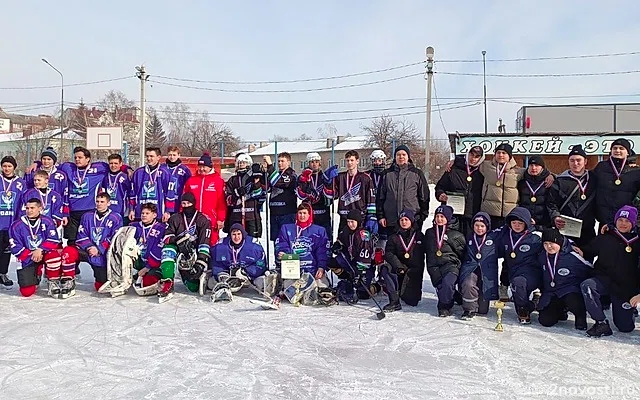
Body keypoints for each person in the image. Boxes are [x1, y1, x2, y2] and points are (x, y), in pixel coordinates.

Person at [580, 205, 640, 337]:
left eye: (627, 221)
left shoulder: (637, 241)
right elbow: (588, 250)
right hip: (603, 280)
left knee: (625, 328)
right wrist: (575, 249)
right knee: (588, 286)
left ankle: (629, 312)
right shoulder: (606, 236)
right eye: (620, 220)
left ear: (633, 223)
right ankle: (601, 322)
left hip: (625, 288)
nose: (623, 224)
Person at [9, 198, 78, 298]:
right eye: (27, 208)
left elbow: (53, 239)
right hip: (28, 257)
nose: (29, 210)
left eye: (32, 208)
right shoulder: (16, 225)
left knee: (54, 255)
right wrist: (31, 254)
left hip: (44, 253)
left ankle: (53, 281)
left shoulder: (47, 221)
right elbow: (14, 245)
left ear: (40, 208)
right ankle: (36, 275)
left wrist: (40, 250)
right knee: (26, 292)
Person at [158, 192, 212, 301]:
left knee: (193, 287)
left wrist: (200, 262)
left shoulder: (203, 219)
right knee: (167, 250)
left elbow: (204, 242)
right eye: (183, 203)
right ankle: (167, 281)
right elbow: (166, 237)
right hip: (179, 250)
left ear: (193, 203)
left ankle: (195, 277)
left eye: (188, 203)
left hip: (194, 252)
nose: (186, 206)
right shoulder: (175, 218)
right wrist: (177, 240)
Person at [494, 206, 542, 324]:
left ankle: (523, 310)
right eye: (514, 222)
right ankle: (529, 306)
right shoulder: (505, 235)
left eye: (520, 223)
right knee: (517, 285)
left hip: (531, 273)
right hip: (513, 273)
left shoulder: (536, 237)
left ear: (526, 222)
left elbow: (555, 242)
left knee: (518, 283)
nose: (517, 225)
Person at [275, 203, 330, 305]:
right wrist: (283, 254)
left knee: (324, 288)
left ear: (310, 215)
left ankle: (308, 290)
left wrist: (321, 268)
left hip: (312, 271)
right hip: (293, 271)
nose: (302, 216)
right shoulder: (286, 229)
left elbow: (322, 252)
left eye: (305, 213)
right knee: (289, 289)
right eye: (300, 213)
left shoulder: (319, 231)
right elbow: (281, 245)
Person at [547, 145, 598, 255]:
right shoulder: (560, 181)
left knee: (586, 263)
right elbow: (551, 203)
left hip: (587, 231)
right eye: (572, 160)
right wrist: (555, 217)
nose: (575, 163)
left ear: (585, 161)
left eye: (578, 160)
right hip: (566, 230)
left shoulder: (594, 179)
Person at [538, 228, 590, 330]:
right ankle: (560, 311)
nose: (549, 246)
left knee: (574, 301)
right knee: (545, 321)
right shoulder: (541, 256)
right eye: (546, 243)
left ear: (559, 242)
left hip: (569, 291)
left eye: (552, 243)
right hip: (551, 292)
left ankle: (580, 315)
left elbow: (589, 269)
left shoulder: (573, 256)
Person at [377, 145, 430, 236]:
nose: (401, 157)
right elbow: (380, 197)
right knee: (392, 248)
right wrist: (381, 216)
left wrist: (422, 216)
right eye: (398, 155)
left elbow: (424, 196)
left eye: (403, 154)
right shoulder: (386, 174)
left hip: (412, 221)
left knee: (412, 248)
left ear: (408, 157)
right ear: (395, 157)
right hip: (391, 220)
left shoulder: (417, 173)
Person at [209, 223, 271, 301]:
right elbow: (217, 264)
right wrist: (223, 277)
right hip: (229, 276)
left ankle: (268, 285)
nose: (236, 237)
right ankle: (224, 288)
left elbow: (261, 265)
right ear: (230, 235)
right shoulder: (222, 246)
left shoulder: (254, 247)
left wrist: (245, 273)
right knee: (211, 283)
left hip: (249, 278)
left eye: (239, 234)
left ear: (243, 234)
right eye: (234, 234)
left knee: (261, 282)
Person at [75, 192, 123, 291]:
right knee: (69, 252)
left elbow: (115, 237)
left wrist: (99, 249)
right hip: (89, 250)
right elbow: (81, 234)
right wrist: (89, 247)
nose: (99, 204)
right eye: (97, 201)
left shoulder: (116, 217)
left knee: (101, 284)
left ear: (108, 203)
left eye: (102, 202)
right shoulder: (87, 216)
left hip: (105, 252)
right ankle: (68, 280)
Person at [435, 145, 485, 238]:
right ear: (467, 154)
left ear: (481, 158)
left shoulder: (483, 172)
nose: (473, 159)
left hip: (472, 215)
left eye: (477, 156)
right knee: (453, 243)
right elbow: (440, 187)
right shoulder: (453, 169)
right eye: (471, 154)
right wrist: (440, 194)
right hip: (453, 215)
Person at [425, 205, 466, 317]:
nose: (439, 219)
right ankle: (455, 296)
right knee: (441, 286)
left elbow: (463, 253)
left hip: (451, 265)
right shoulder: (429, 233)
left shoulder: (456, 235)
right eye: (437, 216)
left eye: (442, 217)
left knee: (447, 284)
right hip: (434, 266)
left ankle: (444, 306)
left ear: (448, 218)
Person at [458, 212, 499, 319]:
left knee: (482, 311)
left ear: (487, 226)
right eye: (476, 225)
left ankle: (479, 303)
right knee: (468, 284)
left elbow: (508, 229)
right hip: (471, 268)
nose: (479, 228)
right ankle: (469, 309)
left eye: (482, 226)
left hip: (487, 270)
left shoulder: (493, 237)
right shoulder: (469, 237)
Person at [328, 209, 375, 304]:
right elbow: (341, 241)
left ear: (358, 221)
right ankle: (348, 278)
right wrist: (337, 245)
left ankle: (377, 286)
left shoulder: (364, 234)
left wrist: (360, 272)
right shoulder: (346, 230)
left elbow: (365, 257)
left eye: (352, 222)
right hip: (350, 261)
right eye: (348, 222)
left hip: (365, 266)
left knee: (363, 294)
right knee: (331, 262)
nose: (350, 224)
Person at [383, 209, 427, 309]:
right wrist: (398, 266)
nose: (404, 222)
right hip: (399, 268)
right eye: (402, 220)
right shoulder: (394, 237)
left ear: (411, 221)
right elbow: (389, 253)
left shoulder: (419, 236)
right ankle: (394, 301)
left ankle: (406, 292)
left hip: (413, 271)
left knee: (412, 301)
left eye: (406, 219)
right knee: (386, 268)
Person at [325, 150, 376, 233]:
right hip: (345, 218)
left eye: (352, 160)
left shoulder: (365, 178)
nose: (349, 163)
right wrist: (329, 182)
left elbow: (371, 198)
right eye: (347, 160)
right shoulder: (340, 177)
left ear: (357, 161)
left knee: (360, 243)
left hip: (360, 218)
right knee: (343, 242)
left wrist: (371, 216)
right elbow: (332, 195)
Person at [593, 138, 640, 227]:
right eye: (615, 148)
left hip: (626, 222)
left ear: (628, 152)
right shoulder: (601, 167)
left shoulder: (636, 171)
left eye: (621, 148)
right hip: (604, 221)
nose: (617, 150)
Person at [183, 152, 226, 245]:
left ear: (210, 167)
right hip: (193, 219)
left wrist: (221, 218)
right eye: (200, 166)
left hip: (211, 219)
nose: (201, 169)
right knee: (192, 243)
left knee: (211, 243)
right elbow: (184, 199)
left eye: (204, 167)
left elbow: (221, 202)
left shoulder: (218, 181)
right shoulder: (191, 180)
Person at [0, 155, 26, 288]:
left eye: (9, 166)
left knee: (6, 250)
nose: (6, 168)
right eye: (4, 166)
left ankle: (3, 273)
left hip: (11, 223)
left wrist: (19, 220)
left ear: (14, 167)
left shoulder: (20, 183)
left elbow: (23, 201)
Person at [224, 153, 265, 238]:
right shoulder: (233, 180)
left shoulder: (253, 178)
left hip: (251, 217)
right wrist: (236, 193)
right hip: (236, 217)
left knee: (251, 242)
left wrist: (257, 180)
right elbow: (228, 199)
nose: (241, 164)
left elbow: (260, 194)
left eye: (244, 162)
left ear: (249, 163)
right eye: (240, 162)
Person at [129, 203, 166, 296]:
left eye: (147, 213)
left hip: (154, 264)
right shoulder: (134, 226)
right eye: (142, 213)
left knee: (148, 282)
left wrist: (147, 267)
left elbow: (159, 249)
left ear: (154, 215)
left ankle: (151, 276)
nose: (144, 215)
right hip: (139, 261)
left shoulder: (161, 228)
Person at [130, 147, 172, 222]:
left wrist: (167, 211)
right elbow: (132, 193)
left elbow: (169, 193)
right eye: (147, 156)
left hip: (158, 213)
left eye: (151, 156)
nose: (149, 158)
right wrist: (131, 209)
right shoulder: (138, 172)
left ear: (158, 157)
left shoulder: (165, 172)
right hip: (140, 213)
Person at [297, 152, 333, 241]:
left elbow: (331, 196)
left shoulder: (324, 176)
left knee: (325, 240)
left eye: (317, 161)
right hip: (309, 215)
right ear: (308, 163)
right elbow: (300, 196)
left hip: (323, 214)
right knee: (308, 241)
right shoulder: (302, 177)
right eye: (312, 162)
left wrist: (329, 183)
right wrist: (304, 183)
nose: (314, 164)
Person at [266, 152, 298, 245]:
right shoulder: (276, 174)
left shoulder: (291, 175)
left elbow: (278, 182)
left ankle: (288, 259)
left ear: (288, 162)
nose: (280, 163)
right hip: (274, 213)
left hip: (287, 213)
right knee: (276, 242)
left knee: (287, 240)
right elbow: (267, 187)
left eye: (282, 161)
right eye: (278, 161)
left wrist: (270, 166)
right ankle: (277, 259)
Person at [517, 155, 552, 231]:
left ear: (542, 167)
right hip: (525, 222)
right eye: (531, 165)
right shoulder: (521, 182)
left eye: (536, 165)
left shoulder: (549, 182)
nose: (533, 168)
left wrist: (552, 176)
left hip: (544, 224)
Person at [102, 153, 132, 222]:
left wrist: (131, 209)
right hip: (107, 211)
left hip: (122, 211)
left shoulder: (125, 177)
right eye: (111, 163)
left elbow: (131, 194)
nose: (113, 165)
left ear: (121, 164)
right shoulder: (105, 177)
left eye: (116, 163)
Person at [366, 150, 387, 244]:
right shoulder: (367, 175)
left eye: (379, 160)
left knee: (383, 242)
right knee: (369, 240)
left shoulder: (388, 174)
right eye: (375, 160)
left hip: (384, 213)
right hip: (370, 213)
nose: (377, 163)